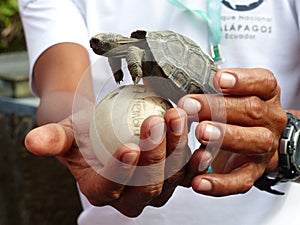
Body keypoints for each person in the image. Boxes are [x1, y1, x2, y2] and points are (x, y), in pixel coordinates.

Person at [18, 0, 300, 224]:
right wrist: (80, 134)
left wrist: (286, 143)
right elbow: (61, 90)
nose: (98, 49)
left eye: (101, 47)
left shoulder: (135, 51)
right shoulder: (127, 50)